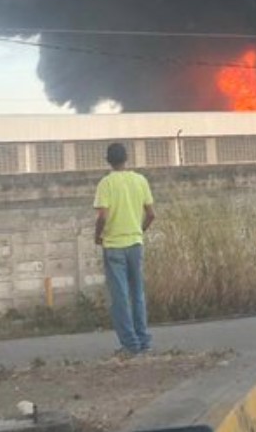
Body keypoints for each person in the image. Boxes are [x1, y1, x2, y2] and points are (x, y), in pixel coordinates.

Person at [94, 142, 156, 355]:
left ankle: (130, 344)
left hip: (113, 246)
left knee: (120, 296)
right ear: (127, 158)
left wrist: (98, 236)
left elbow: (102, 216)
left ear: (108, 160)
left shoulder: (106, 183)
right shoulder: (140, 180)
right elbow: (151, 214)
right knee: (137, 292)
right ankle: (143, 340)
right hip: (135, 243)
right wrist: (139, 230)